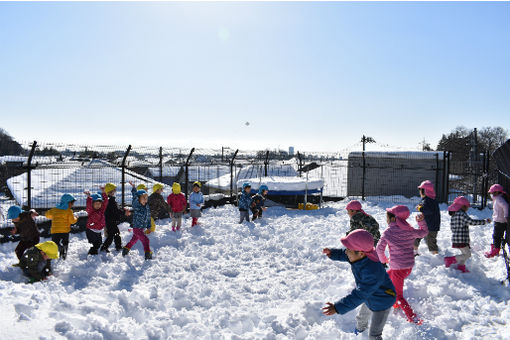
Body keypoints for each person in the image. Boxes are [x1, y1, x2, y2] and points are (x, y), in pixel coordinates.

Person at [322, 229, 396, 340]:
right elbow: (345, 254)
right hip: (370, 296)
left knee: (374, 335)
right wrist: (332, 253)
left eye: (349, 250)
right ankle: (360, 334)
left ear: (361, 253)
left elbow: (359, 295)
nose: (346, 252)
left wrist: (338, 307)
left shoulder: (372, 272)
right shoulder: (361, 255)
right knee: (361, 318)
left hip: (383, 301)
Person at [376, 205, 428, 325]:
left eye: (388, 217)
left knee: (399, 295)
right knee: (384, 278)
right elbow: (423, 232)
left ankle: (413, 318)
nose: (387, 219)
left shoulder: (388, 232)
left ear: (393, 219)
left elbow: (379, 249)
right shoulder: (409, 230)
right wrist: (421, 222)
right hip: (407, 267)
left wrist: (384, 260)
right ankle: (392, 303)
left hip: (398, 269)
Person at [444, 196, 491, 272]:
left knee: (464, 254)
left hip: (456, 238)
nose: (468, 209)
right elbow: (471, 222)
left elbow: (452, 227)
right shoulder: (462, 214)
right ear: (463, 206)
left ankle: (461, 267)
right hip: (461, 239)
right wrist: (484, 221)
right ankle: (450, 259)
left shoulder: (454, 214)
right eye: (467, 207)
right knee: (467, 254)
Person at [122, 182, 153, 260]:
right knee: (146, 240)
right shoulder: (137, 205)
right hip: (137, 228)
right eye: (143, 198)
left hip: (142, 227)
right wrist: (134, 189)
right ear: (139, 199)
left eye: (146, 198)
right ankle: (147, 253)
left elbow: (148, 217)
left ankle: (126, 249)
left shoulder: (147, 207)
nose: (145, 200)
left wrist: (149, 226)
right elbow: (134, 197)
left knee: (134, 240)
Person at [45, 194, 78, 260]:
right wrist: (76, 218)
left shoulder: (54, 209)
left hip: (55, 231)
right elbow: (72, 221)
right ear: (68, 203)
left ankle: (60, 248)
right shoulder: (69, 211)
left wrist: (53, 216)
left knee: (55, 243)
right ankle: (64, 254)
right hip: (65, 231)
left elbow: (47, 215)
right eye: (72, 203)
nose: (72, 205)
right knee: (65, 242)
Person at [413, 180, 441, 255]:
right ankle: (414, 251)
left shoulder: (429, 200)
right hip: (426, 224)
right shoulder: (428, 200)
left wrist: (420, 208)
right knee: (417, 236)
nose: (419, 192)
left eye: (420, 190)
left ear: (425, 191)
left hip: (431, 226)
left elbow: (428, 210)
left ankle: (435, 256)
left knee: (430, 241)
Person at [101, 183, 130, 252]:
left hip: (111, 221)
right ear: (110, 192)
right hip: (110, 221)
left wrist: (123, 209)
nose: (115, 192)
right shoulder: (110, 200)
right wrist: (123, 212)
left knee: (116, 234)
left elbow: (117, 208)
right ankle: (104, 248)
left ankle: (118, 246)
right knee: (111, 236)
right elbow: (116, 210)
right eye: (114, 191)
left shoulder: (110, 200)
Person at [484, 184, 509, 258]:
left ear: (498, 192)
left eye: (493, 192)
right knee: (497, 235)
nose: (492, 194)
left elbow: (505, 206)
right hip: (499, 220)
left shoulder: (499, 199)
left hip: (500, 220)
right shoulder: (498, 198)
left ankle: (495, 250)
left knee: (496, 236)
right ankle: (495, 248)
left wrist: (506, 216)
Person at [84, 189, 108, 255]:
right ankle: (92, 253)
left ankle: (95, 251)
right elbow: (89, 205)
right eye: (96, 204)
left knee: (99, 243)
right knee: (96, 244)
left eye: (99, 204)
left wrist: (104, 193)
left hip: (98, 230)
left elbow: (105, 203)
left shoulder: (101, 210)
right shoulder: (91, 211)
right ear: (92, 204)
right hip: (91, 230)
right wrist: (89, 197)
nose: (98, 205)